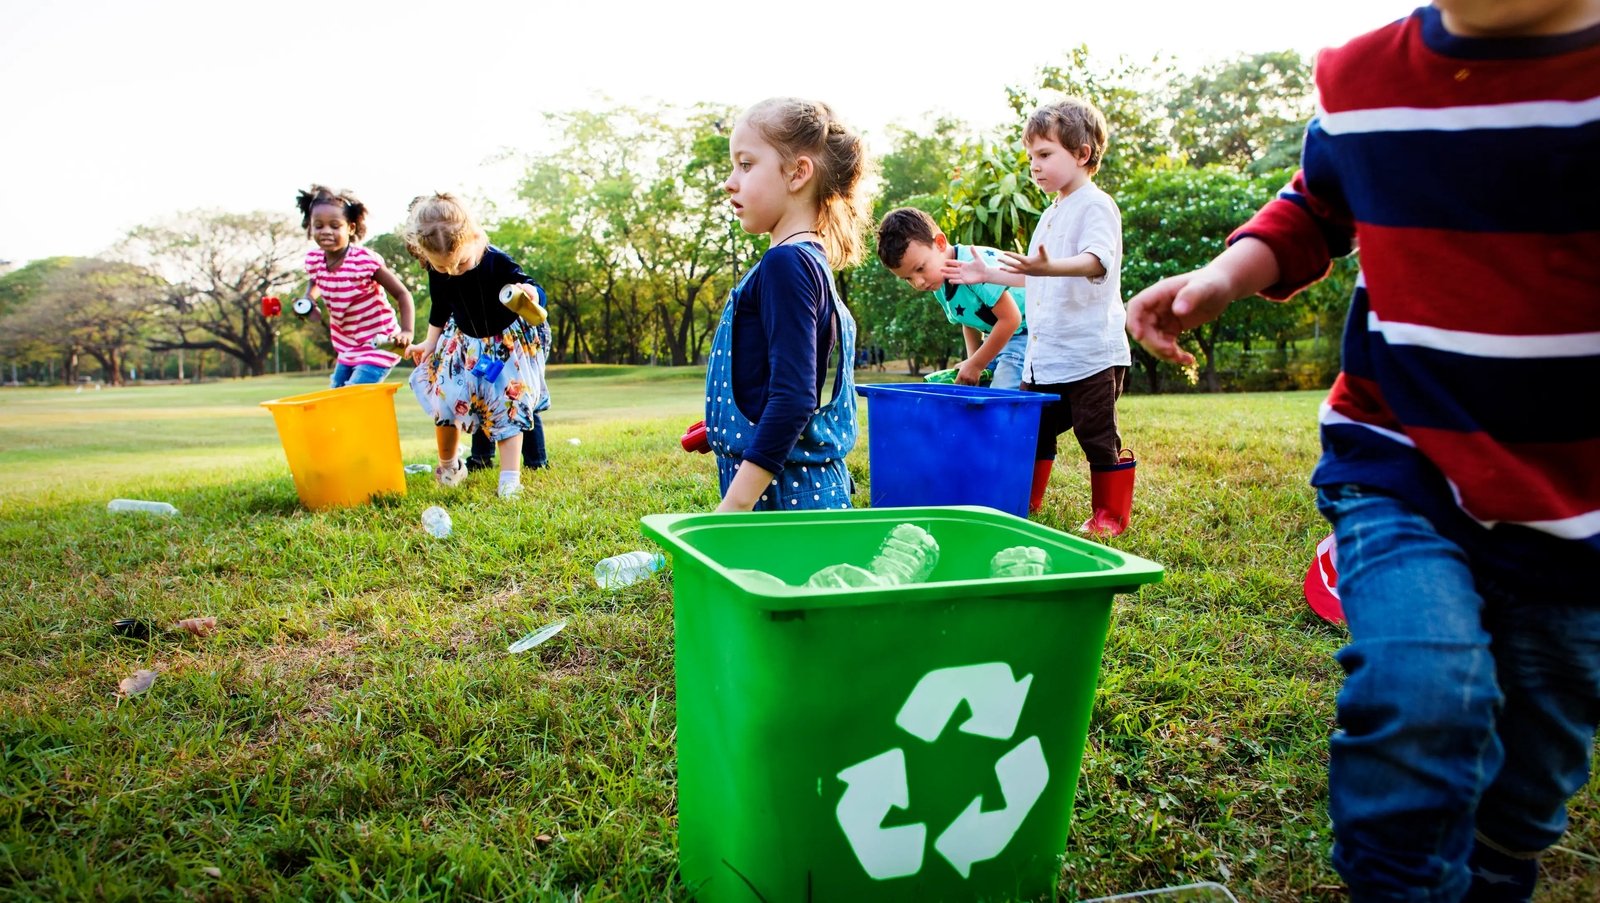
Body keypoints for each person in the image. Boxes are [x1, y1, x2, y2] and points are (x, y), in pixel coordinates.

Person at [1125, 2, 1600, 898]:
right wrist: (1226, 274)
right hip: (1402, 455)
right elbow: (1315, 204)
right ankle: (1396, 878)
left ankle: (1500, 862)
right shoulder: (1364, 76)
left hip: (1576, 490)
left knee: (1542, 746)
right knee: (1422, 685)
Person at [946, 98, 1135, 535]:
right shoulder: (1050, 215)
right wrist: (986, 274)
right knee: (1031, 431)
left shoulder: (1095, 205)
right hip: (1045, 355)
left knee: (1096, 436)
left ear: (1082, 154)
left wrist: (1049, 266)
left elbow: (1096, 260)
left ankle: (1109, 515)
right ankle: (1024, 501)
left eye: (1045, 155)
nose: (1034, 166)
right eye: (1031, 157)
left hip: (1091, 353)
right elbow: (1034, 277)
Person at [708, 97, 869, 512]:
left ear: (798, 173)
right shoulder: (804, 262)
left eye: (745, 164)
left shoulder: (787, 264)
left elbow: (795, 399)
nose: (730, 181)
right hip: (796, 495)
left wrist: (731, 509)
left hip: (789, 506)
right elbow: (778, 385)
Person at [401, 193, 551, 500]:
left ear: (474, 235)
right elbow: (441, 306)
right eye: (443, 267)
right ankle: (450, 466)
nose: (453, 271)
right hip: (465, 343)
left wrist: (530, 293)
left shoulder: (495, 260)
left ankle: (510, 479)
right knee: (445, 398)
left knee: (509, 406)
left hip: (506, 343)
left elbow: (533, 288)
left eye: (460, 263)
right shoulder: (437, 266)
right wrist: (430, 342)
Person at [876, 206, 1029, 389]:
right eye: (908, 278)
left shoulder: (972, 265)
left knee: (1001, 392)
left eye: (920, 268)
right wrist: (972, 361)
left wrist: (976, 364)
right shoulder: (938, 282)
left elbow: (1011, 319)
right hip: (1001, 335)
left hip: (1027, 332)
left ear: (940, 243)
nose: (918, 283)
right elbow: (969, 320)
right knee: (970, 388)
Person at [295, 186, 414, 387]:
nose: (326, 231)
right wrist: (308, 299)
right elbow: (316, 281)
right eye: (319, 225)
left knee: (352, 396)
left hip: (379, 343)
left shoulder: (363, 261)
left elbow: (402, 294)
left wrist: (407, 331)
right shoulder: (315, 260)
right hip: (347, 347)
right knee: (335, 397)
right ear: (310, 227)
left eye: (334, 226)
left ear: (350, 228)